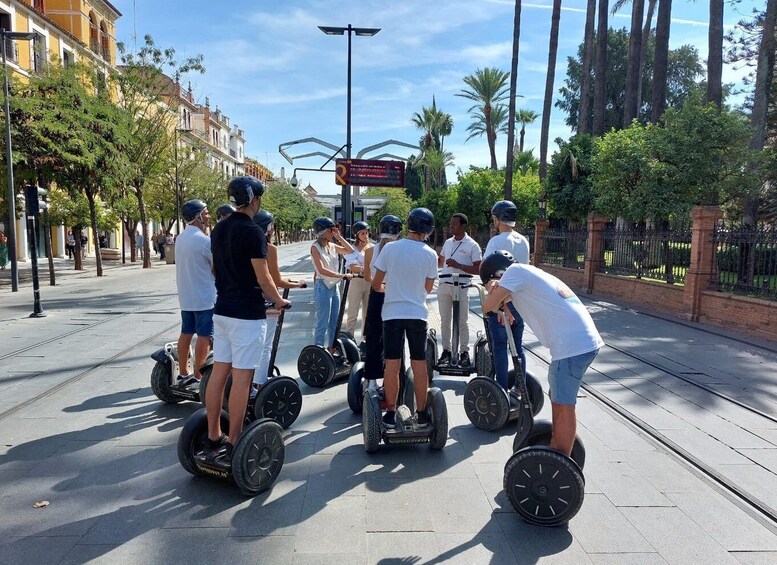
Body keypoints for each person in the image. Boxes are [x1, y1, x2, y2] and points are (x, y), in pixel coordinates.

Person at [480, 251, 604, 456]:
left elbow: (487, 307)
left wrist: (493, 292)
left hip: (572, 346)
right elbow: (504, 300)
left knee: (563, 404)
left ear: (497, 276)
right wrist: (503, 302)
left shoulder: (514, 273)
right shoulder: (526, 272)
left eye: (490, 285)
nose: (492, 290)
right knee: (557, 393)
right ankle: (560, 447)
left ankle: (560, 457)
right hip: (580, 341)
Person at [204, 176, 290, 464]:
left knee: (219, 373)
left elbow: (217, 269)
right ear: (254, 200)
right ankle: (235, 439)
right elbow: (263, 277)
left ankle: (214, 433)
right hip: (246, 315)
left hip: (223, 310)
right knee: (242, 379)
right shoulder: (253, 232)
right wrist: (279, 300)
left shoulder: (218, 229)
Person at [371, 208, 438, 429]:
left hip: (391, 314)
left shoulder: (390, 248)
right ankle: (421, 413)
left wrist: (390, 289)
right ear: (428, 229)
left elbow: (375, 283)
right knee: (419, 365)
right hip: (417, 314)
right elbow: (427, 288)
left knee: (392, 363)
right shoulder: (430, 254)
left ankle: (390, 413)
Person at [252, 210, 306, 388]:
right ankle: (259, 382)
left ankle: (246, 383)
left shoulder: (242, 243)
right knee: (266, 345)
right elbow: (276, 281)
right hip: (267, 301)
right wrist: (297, 285)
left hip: (245, 302)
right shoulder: (270, 249)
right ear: (267, 228)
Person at [483, 200, 532, 391]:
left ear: (498, 219)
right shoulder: (524, 240)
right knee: (518, 346)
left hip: (501, 299)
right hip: (520, 300)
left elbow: (487, 271)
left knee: (501, 346)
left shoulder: (496, 241)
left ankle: (501, 388)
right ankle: (521, 387)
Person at [174, 200, 215, 388]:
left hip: (186, 295)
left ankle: (183, 373)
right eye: (205, 213)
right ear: (198, 215)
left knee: (186, 333)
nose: (208, 216)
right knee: (204, 337)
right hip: (204, 297)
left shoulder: (181, 238)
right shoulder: (203, 240)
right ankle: (200, 377)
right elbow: (216, 268)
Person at [436, 213, 482, 367]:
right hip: (445, 284)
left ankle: (464, 352)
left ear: (463, 226)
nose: (451, 226)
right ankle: (446, 351)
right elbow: (440, 261)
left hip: (462, 286)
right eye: (451, 224)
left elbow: (478, 269)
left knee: (463, 320)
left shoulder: (472, 245)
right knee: (445, 320)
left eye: (454, 224)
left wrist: (459, 265)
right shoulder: (448, 243)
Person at [362, 215, 402, 391]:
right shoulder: (400, 250)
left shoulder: (370, 250)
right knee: (395, 338)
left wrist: (378, 284)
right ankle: (393, 382)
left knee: (373, 337)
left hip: (377, 294)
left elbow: (367, 276)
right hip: (395, 295)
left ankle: (371, 381)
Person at [310, 216, 355, 352]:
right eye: (331, 230)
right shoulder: (315, 247)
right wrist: (342, 275)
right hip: (322, 286)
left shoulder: (332, 246)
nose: (333, 232)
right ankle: (318, 351)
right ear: (322, 232)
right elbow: (322, 269)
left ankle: (332, 349)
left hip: (334, 286)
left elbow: (350, 251)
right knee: (322, 322)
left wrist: (339, 237)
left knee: (334, 322)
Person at [344, 220, 373, 344]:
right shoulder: (352, 249)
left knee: (368, 313)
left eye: (366, 233)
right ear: (356, 235)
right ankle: (349, 338)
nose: (365, 236)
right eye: (362, 233)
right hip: (356, 281)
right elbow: (352, 266)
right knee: (352, 312)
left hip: (369, 281)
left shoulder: (372, 247)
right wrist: (364, 268)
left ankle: (366, 339)